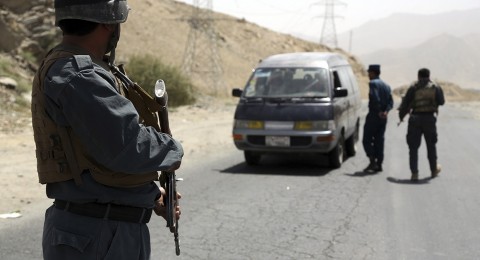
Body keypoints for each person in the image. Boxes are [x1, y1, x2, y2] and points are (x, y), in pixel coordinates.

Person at [31, 0, 184, 259]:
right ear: (108, 23)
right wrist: (173, 149)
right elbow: (128, 146)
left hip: (98, 228)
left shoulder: (82, 68)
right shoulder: (80, 75)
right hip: (98, 233)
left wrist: (149, 194)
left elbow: (94, 151)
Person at [398, 68, 445, 181]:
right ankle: (433, 170)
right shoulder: (435, 87)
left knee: (413, 147)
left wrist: (401, 117)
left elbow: (405, 104)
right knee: (431, 146)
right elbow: (442, 101)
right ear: (429, 76)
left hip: (415, 119)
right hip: (429, 119)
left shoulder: (413, 87)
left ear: (418, 76)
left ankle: (414, 174)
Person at [362, 64, 394, 172]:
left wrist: (379, 111)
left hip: (374, 115)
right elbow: (391, 102)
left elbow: (375, 97)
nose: (368, 74)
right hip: (383, 118)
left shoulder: (373, 83)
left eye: (369, 72)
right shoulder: (387, 86)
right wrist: (386, 111)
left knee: (366, 139)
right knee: (379, 140)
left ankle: (373, 162)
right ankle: (379, 164)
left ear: (373, 72)